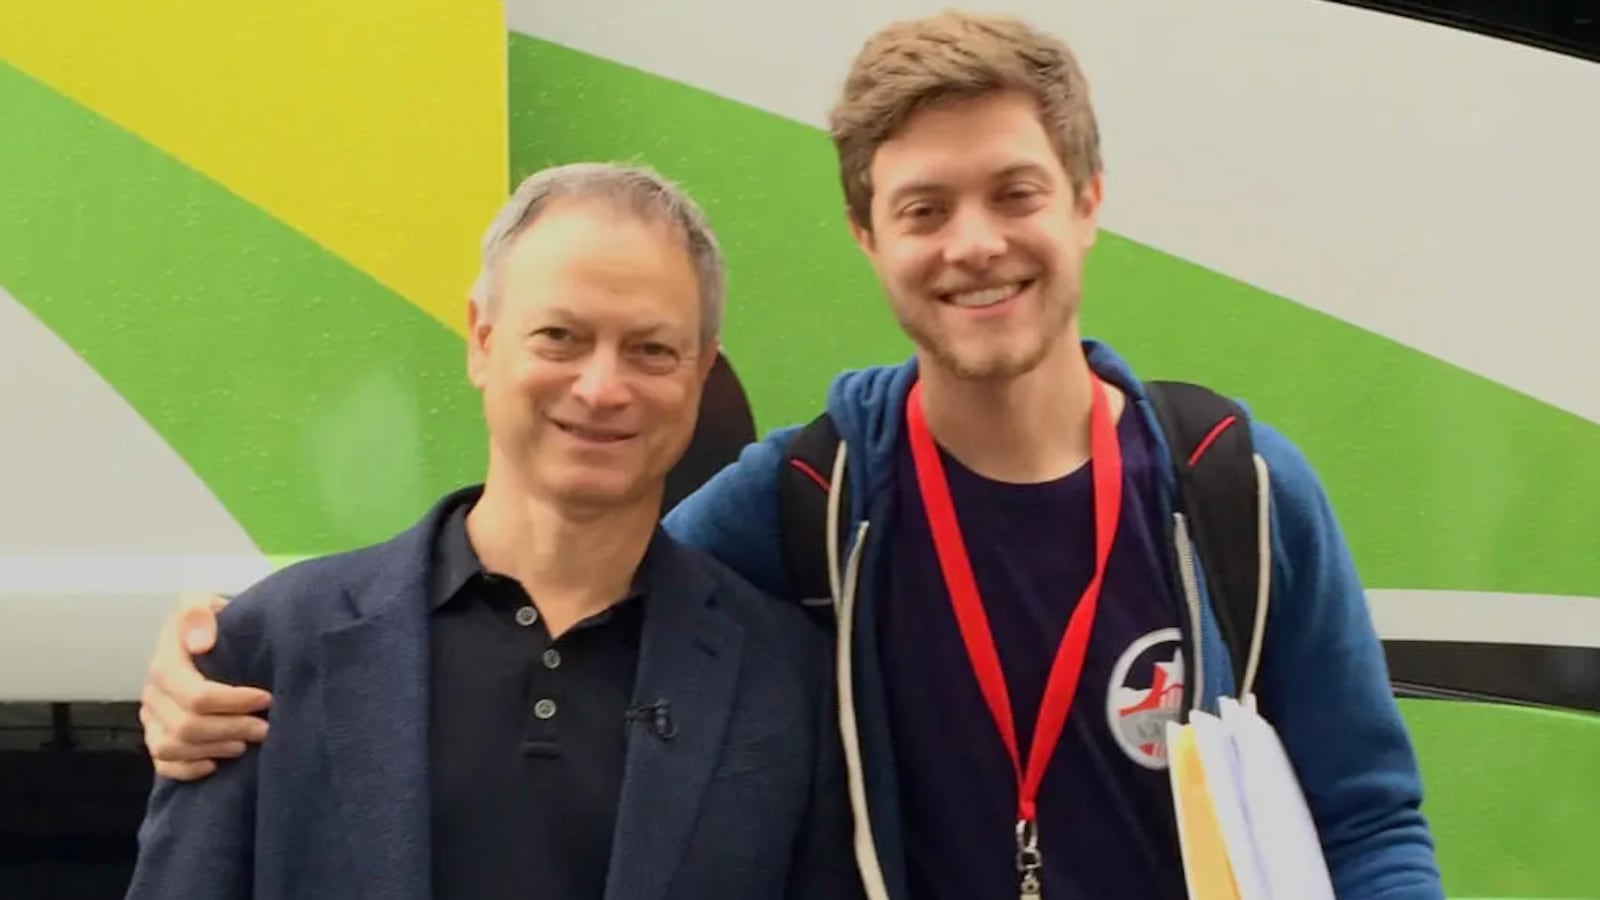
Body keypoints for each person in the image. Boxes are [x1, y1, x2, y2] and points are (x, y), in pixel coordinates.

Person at [138, 11, 1446, 900]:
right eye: (923, 208)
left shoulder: (1234, 491)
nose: (974, 243)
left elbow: (1370, 816)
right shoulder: (813, 497)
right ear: (869, 239)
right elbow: (579, 574)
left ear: (1088, 203)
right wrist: (207, 663)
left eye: (1016, 193)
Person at [123, 162, 862, 900]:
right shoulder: (266, 653)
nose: (602, 388)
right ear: (481, 340)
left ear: (700, 374)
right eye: (560, 337)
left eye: (651, 350)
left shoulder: (790, 684)